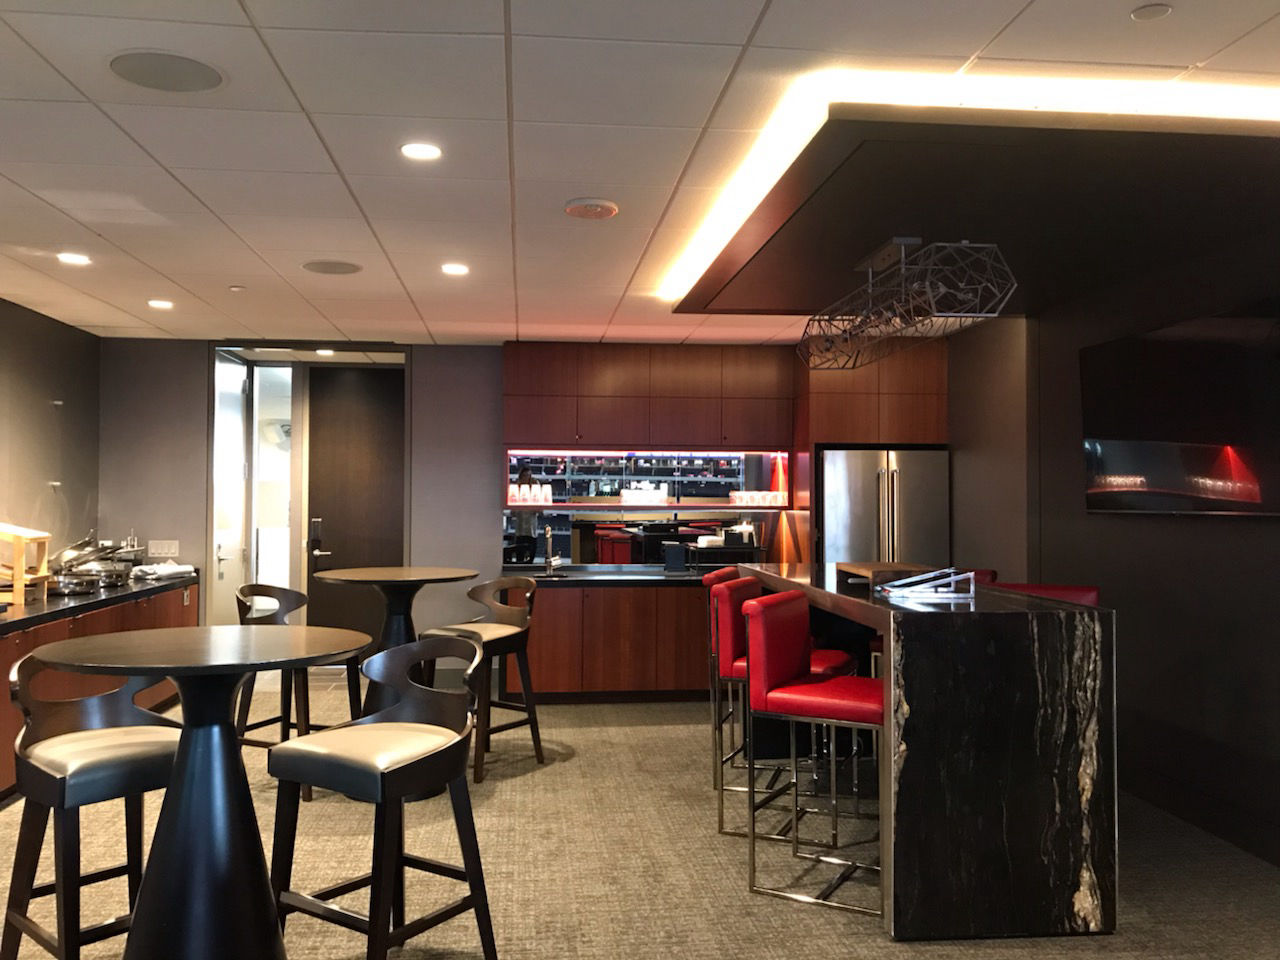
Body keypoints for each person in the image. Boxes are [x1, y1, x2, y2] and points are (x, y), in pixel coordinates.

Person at [512, 466, 537, 563]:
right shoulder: (516, 490)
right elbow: (513, 512)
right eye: (525, 476)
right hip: (520, 529)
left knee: (531, 557)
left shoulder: (534, 491)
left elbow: (540, 510)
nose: (527, 478)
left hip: (531, 529)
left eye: (529, 476)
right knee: (519, 557)